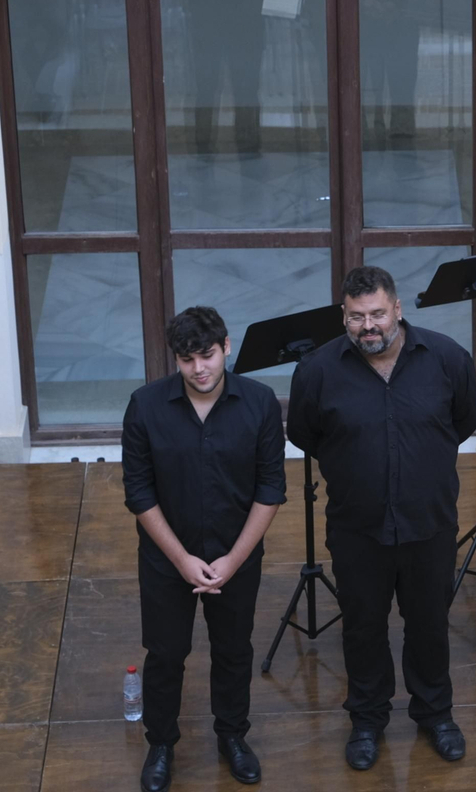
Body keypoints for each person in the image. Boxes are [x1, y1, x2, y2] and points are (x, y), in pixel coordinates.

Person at [287, 266, 476, 768]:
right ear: (343, 317)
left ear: (397, 309)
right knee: (363, 628)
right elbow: (305, 434)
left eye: (377, 313)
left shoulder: (446, 358)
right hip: (357, 528)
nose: (368, 325)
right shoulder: (317, 371)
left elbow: (465, 419)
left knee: (429, 625)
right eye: (357, 317)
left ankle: (436, 714)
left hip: (429, 524)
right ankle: (367, 721)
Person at [123, 306, 286, 792]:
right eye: (187, 359)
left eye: (208, 355)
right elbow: (139, 493)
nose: (199, 368)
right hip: (166, 560)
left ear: (226, 347)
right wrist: (181, 559)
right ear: (175, 358)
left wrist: (233, 560)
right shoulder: (145, 405)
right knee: (165, 653)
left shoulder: (260, 403)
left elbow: (270, 489)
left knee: (234, 650)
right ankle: (160, 744)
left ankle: (232, 736)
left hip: (236, 556)